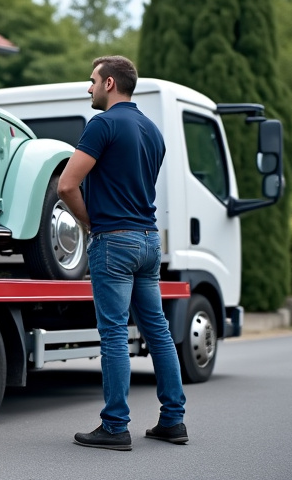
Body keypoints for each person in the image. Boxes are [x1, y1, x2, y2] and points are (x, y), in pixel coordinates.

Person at [57, 55, 188, 451]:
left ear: (110, 83)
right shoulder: (153, 131)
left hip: (114, 240)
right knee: (159, 333)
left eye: (92, 80)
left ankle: (115, 426)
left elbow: (66, 185)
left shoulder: (103, 124)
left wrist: (89, 224)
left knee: (114, 334)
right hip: (149, 241)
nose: (88, 87)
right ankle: (173, 421)